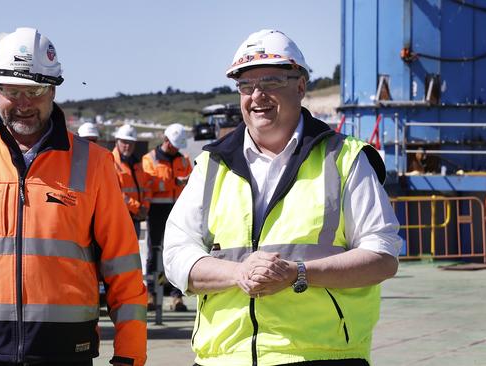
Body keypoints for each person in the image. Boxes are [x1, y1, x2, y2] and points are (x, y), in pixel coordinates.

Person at [0, 27, 147, 366]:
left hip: (65, 352)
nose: (24, 104)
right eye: (11, 91)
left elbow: (123, 266)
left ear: (52, 90)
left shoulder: (94, 163)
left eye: (35, 90)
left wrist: (130, 353)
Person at [163, 29, 402, 365]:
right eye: (245, 86)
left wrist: (298, 273)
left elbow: (382, 256)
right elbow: (176, 254)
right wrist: (238, 274)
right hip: (223, 359)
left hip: (320, 356)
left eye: (271, 82)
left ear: (301, 86)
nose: (256, 96)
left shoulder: (345, 159)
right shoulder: (211, 166)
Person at [142, 123, 192, 311]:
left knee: (179, 251)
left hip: (178, 209)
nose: (176, 149)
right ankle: (151, 295)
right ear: (165, 140)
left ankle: (177, 297)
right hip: (156, 210)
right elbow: (149, 184)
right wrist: (175, 183)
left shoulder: (184, 160)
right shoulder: (149, 159)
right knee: (154, 252)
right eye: (173, 145)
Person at [112, 124, 152, 237]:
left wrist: (145, 207)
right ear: (117, 142)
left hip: (135, 218)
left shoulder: (137, 164)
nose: (127, 146)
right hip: (118, 219)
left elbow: (146, 187)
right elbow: (115, 193)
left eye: (131, 143)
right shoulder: (110, 162)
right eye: (124, 142)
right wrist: (138, 208)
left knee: (134, 252)